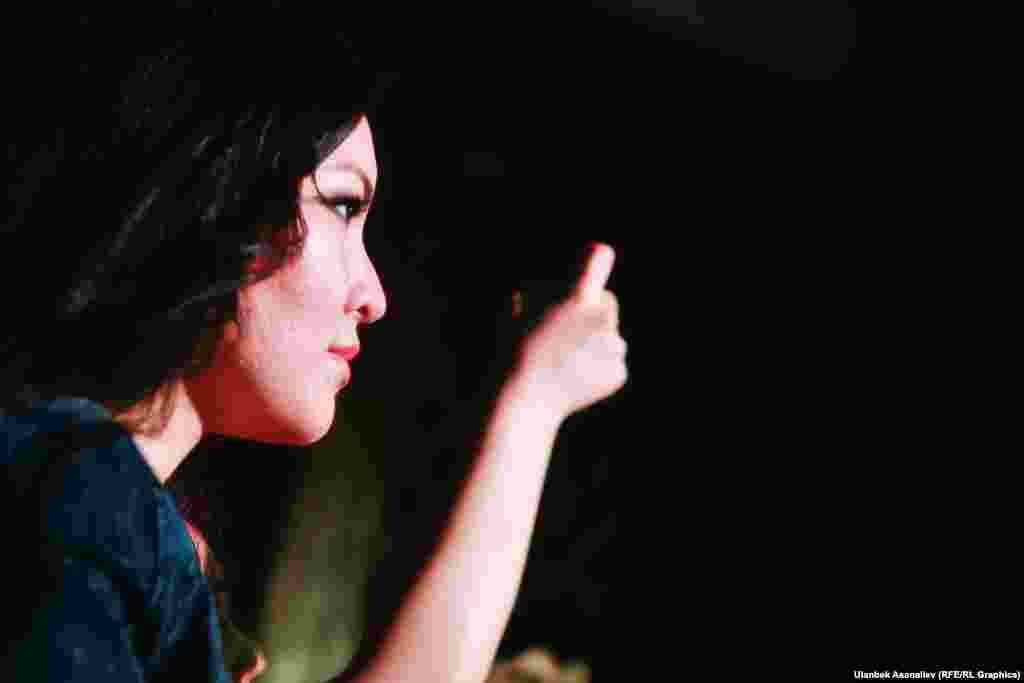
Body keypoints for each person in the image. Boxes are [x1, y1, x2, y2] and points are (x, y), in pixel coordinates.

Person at [0, 15, 628, 683]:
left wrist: (533, 403)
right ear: (215, 195)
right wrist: (530, 407)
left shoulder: (104, 511)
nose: (374, 296)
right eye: (344, 206)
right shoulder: (72, 499)